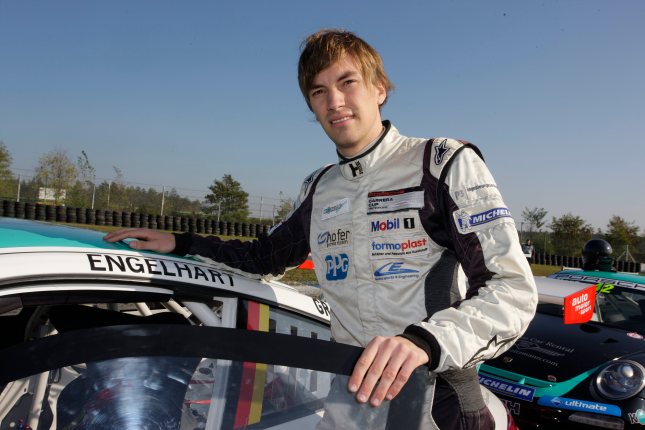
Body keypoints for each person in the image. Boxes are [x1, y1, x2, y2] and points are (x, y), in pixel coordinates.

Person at [105, 29, 537, 429]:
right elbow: (262, 258)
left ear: (380, 89)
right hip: (348, 400)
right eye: (319, 91)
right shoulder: (320, 188)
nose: (334, 101)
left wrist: (423, 342)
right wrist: (180, 242)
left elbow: (512, 290)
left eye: (347, 83)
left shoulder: (440, 163)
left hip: (437, 402)